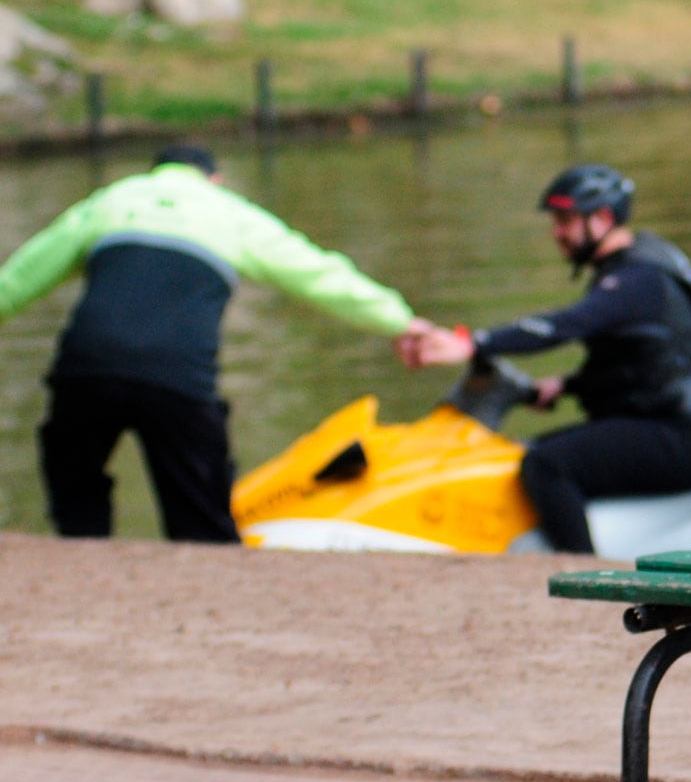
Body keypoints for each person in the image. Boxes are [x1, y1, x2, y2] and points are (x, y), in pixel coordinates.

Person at [0, 145, 429, 544]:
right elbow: (319, 275)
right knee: (202, 524)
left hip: (86, 368)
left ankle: (84, 578)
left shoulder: (112, 199)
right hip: (177, 378)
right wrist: (400, 321)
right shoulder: (230, 212)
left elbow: (20, 278)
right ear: (215, 179)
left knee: (76, 495)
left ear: (155, 172)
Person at [406, 164, 691, 554]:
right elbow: (640, 363)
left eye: (565, 220)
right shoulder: (636, 267)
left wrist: (472, 343)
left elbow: (564, 325)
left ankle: (582, 570)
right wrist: (565, 386)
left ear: (603, 219)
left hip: (687, 438)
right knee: (524, 451)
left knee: (546, 465)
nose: (556, 232)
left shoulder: (637, 279)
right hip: (675, 426)